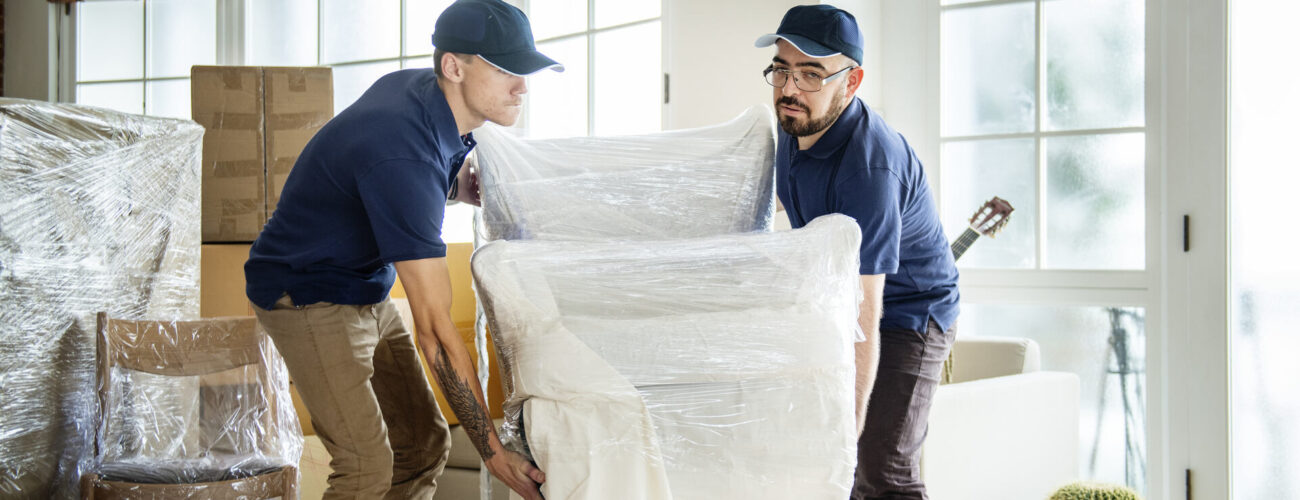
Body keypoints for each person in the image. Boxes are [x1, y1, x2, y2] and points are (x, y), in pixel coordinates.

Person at [243, 0, 557, 498]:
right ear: (454, 66)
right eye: (505, 70)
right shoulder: (400, 151)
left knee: (423, 442)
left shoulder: (423, 91)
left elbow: (390, 175)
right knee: (365, 467)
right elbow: (435, 333)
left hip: (364, 284)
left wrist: (454, 187)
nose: (522, 85)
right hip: (305, 292)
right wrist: (494, 454)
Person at [755, 5, 961, 499]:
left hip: (912, 312)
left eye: (810, 74)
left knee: (878, 467)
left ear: (851, 81)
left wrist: (847, 424)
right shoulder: (796, 124)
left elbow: (865, 310)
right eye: (782, 69)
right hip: (838, 303)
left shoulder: (869, 170)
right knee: (826, 465)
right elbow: (772, 203)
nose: (789, 89)